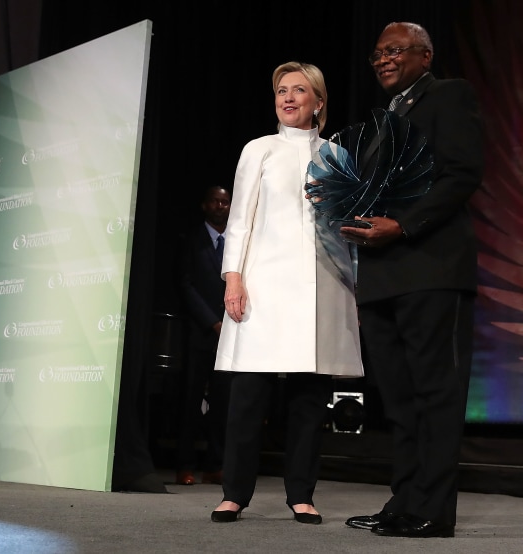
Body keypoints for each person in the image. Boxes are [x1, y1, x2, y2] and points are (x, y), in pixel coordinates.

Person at [340, 22, 484, 538]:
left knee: (435, 394)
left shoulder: (448, 96)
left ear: (425, 55)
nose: (382, 59)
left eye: (394, 51)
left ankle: (434, 511)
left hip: (431, 269)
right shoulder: (382, 121)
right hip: (381, 276)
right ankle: (403, 501)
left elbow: (462, 173)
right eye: (376, 53)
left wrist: (403, 225)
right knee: (398, 400)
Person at [210, 61, 364, 525]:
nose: (289, 98)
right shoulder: (260, 149)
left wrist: (354, 288)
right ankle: (234, 493)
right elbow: (239, 219)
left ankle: (302, 493)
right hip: (264, 284)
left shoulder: (338, 155)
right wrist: (233, 276)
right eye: (282, 90)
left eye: (300, 90)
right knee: (248, 396)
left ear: (318, 101)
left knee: (309, 399)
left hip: (322, 287)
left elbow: (344, 231)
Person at [175, 185, 233, 486]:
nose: (221, 206)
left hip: (231, 334)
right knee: (191, 401)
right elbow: (186, 286)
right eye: (215, 201)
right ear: (204, 205)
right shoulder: (191, 239)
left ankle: (215, 465)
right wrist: (212, 322)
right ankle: (184, 465)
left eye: (225, 201)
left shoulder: (237, 241)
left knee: (223, 403)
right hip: (200, 333)